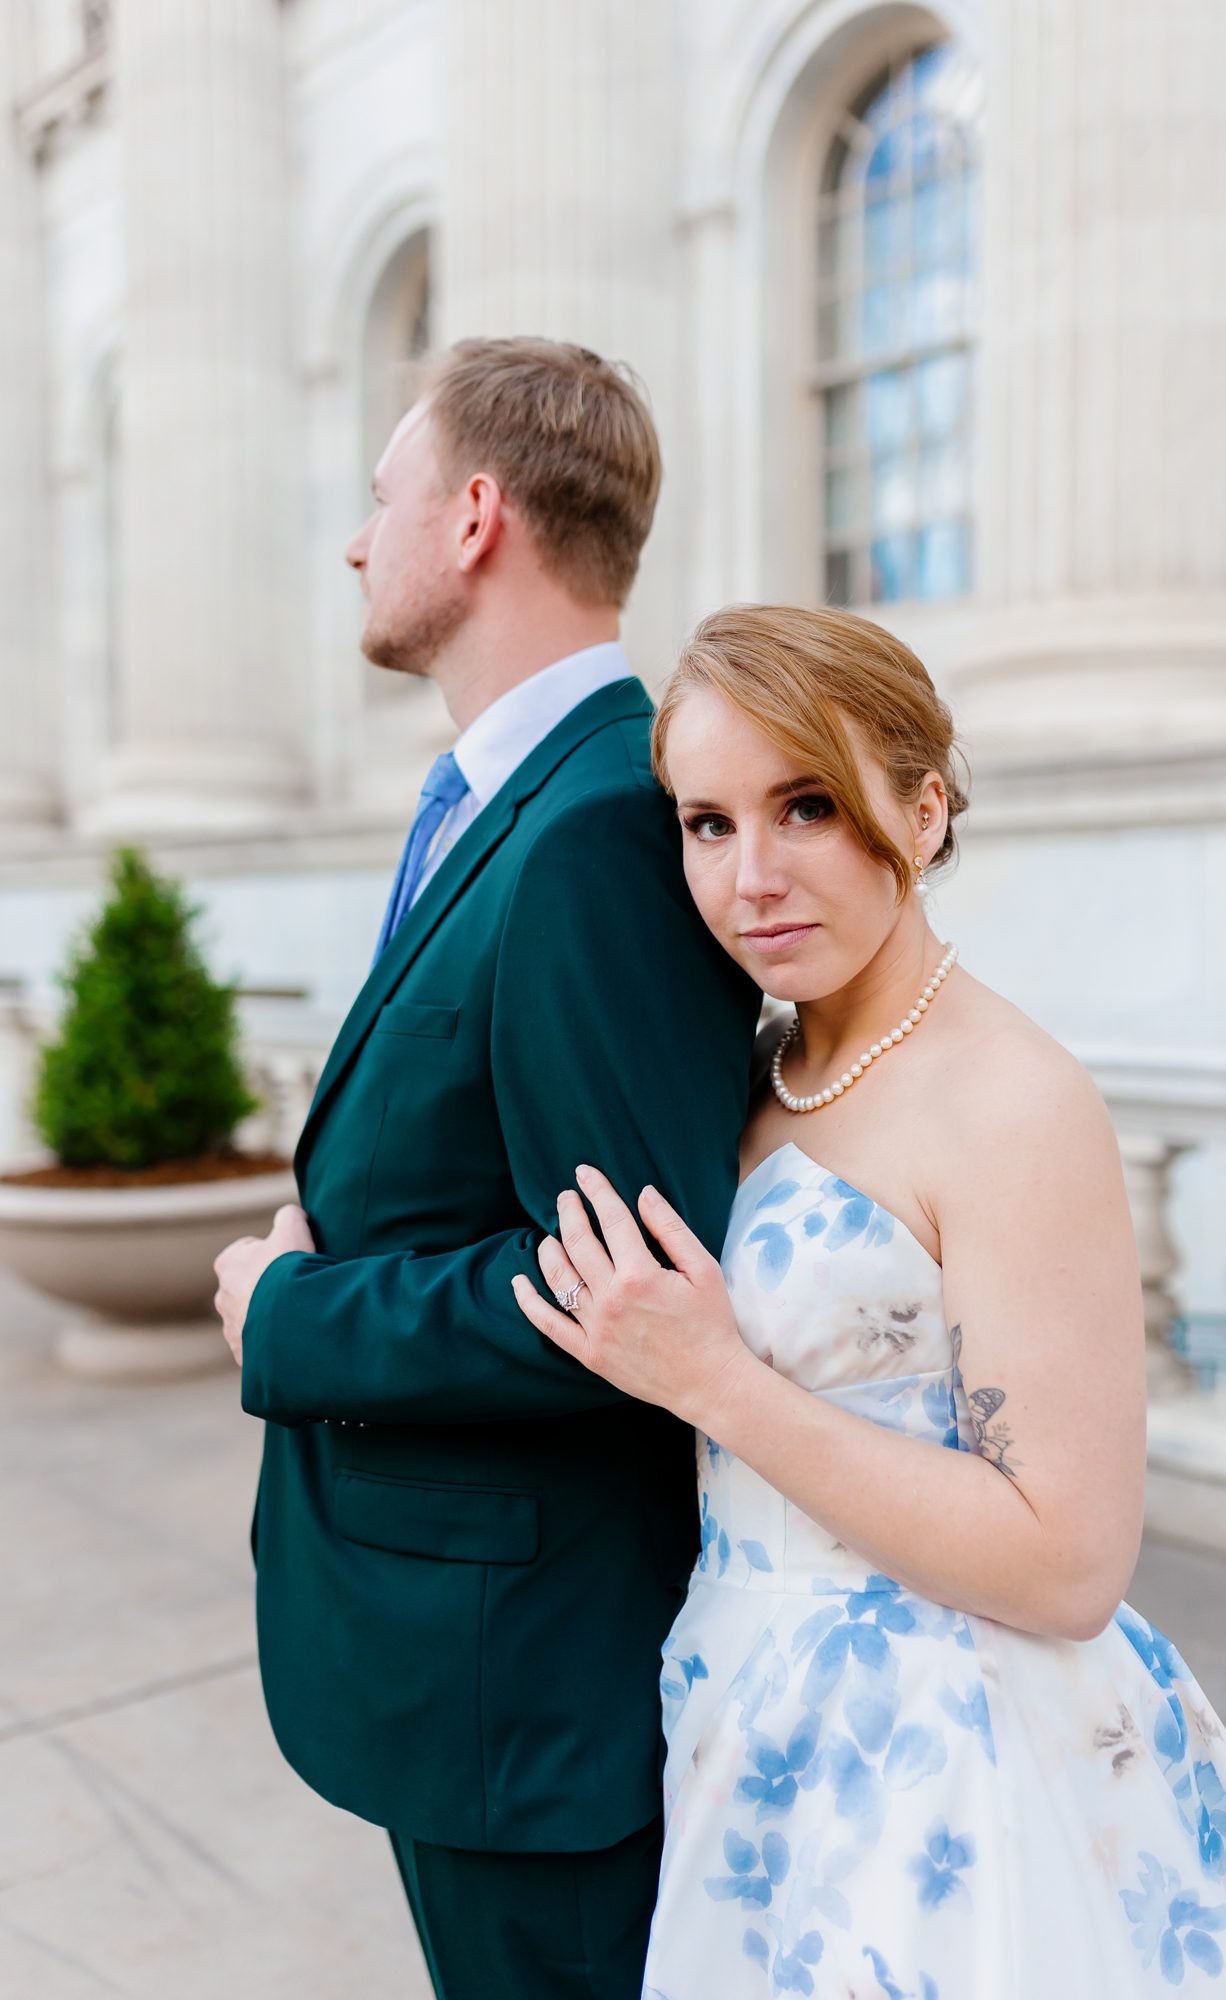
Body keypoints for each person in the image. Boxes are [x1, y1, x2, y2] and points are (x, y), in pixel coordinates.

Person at [513, 603, 1226, 1999]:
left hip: (953, 1766)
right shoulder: (749, 1061)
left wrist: (711, 1379)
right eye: (706, 824)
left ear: (923, 807)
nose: (750, 875)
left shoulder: (1011, 1101)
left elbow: (1068, 1563)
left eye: (807, 806)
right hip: (742, 1707)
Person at [211, 340, 758, 2000]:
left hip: (520, 1695)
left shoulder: (596, 822)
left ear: (471, 517)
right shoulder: (493, 797)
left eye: (379, 501)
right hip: (452, 1657)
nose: (357, 543)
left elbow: (633, 1296)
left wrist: (291, 1314)